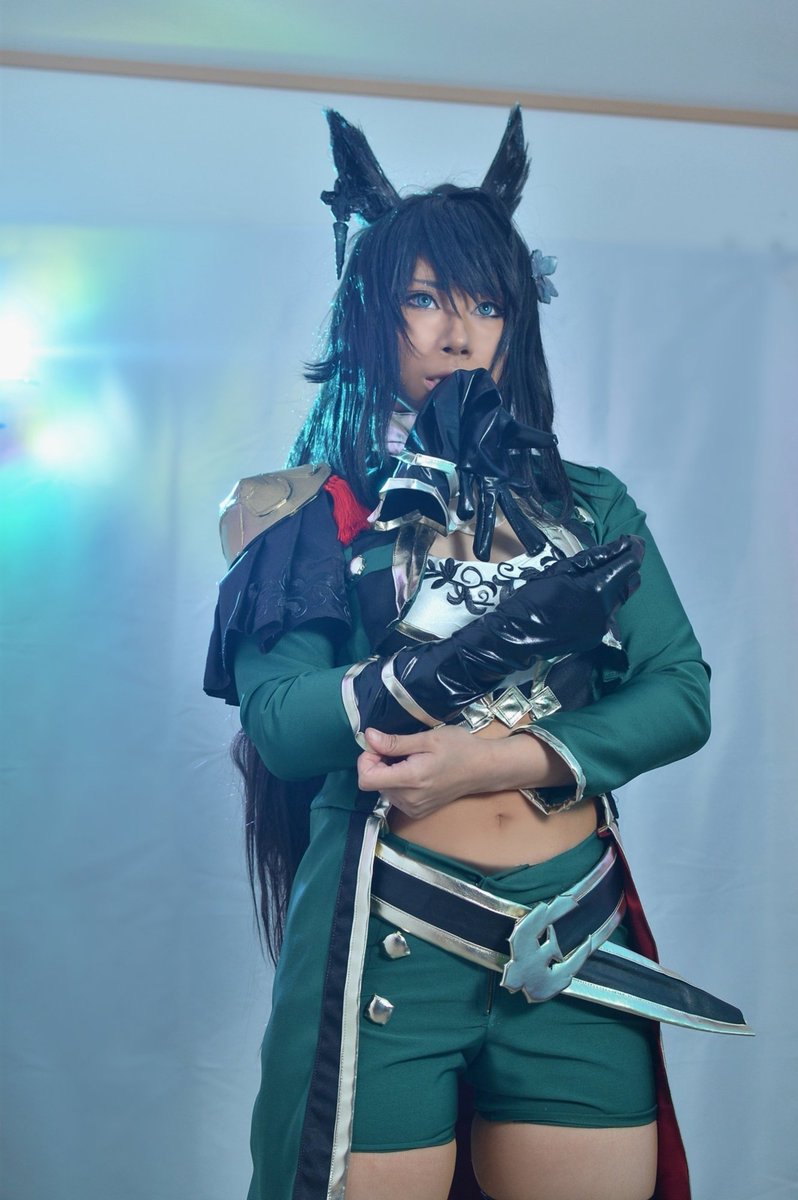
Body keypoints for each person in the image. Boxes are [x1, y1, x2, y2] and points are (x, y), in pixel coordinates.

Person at [204, 108, 749, 1200]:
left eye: (487, 306)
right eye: (424, 300)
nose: (458, 335)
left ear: (516, 326)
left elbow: (680, 695)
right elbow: (283, 721)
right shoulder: (304, 508)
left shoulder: (588, 504)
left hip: (573, 932)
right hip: (392, 927)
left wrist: (492, 760)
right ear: (372, 313)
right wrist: (450, 667)